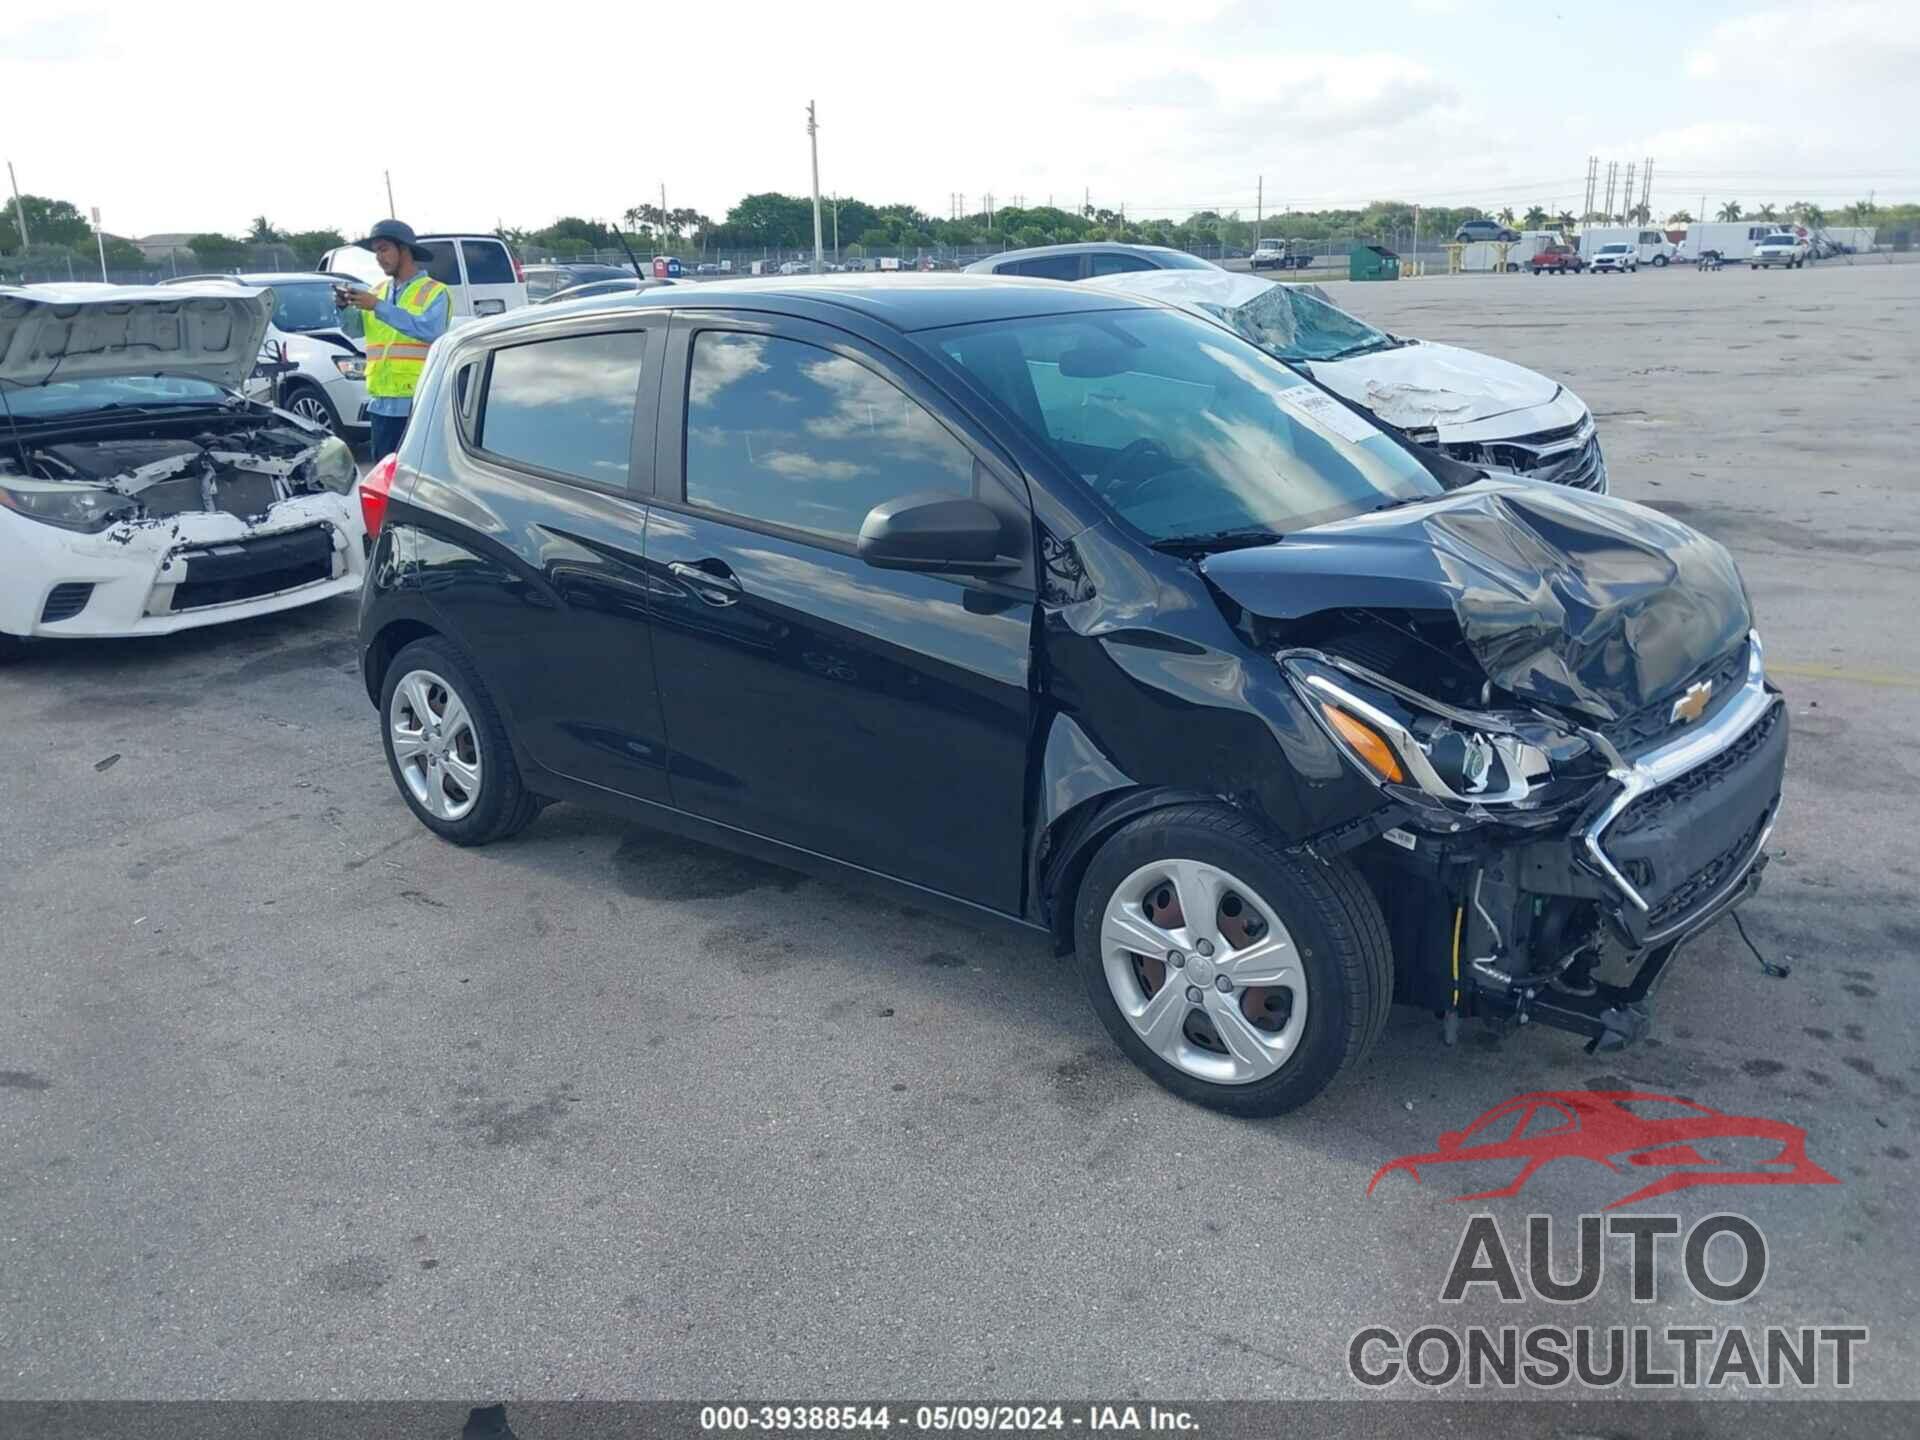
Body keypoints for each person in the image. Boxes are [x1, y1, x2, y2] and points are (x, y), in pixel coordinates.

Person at [334, 220, 451, 459]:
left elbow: (430, 330)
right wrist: (343, 308)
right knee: (384, 480)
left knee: (415, 479)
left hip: (418, 403)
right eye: (376, 251)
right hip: (380, 404)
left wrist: (378, 306)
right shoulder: (377, 292)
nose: (378, 257)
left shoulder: (435, 291)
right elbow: (355, 330)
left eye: (384, 249)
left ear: (405, 250)